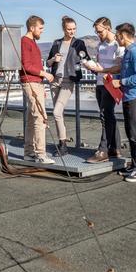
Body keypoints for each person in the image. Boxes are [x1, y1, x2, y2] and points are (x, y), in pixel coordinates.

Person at [82, 17, 124, 163]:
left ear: (108, 28)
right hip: (100, 83)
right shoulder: (101, 45)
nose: (98, 34)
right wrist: (92, 68)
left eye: (100, 31)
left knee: (105, 116)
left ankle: (103, 150)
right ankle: (115, 148)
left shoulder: (118, 45)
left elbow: (119, 67)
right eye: (96, 32)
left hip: (111, 84)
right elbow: (100, 66)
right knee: (109, 116)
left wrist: (103, 70)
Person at [45, 16, 88, 156]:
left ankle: (63, 145)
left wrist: (94, 68)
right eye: (69, 29)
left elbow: (86, 59)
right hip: (55, 81)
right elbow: (48, 63)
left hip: (68, 81)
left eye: (74, 29)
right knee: (59, 114)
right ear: (64, 29)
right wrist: (53, 59)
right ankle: (61, 143)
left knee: (56, 112)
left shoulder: (79, 43)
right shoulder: (57, 43)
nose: (72, 32)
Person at [112, 22, 136, 182]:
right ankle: (134, 166)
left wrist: (121, 82)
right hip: (129, 96)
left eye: (117, 35)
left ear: (123, 35)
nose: (115, 37)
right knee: (130, 132)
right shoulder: (127, 53)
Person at [19, 15, 55, 164]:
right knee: (40, 117)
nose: (41, 31)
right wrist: (45, 73)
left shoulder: (30, 41)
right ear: (32, 28)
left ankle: (29, 152)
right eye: (40, 28)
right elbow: (26, 66)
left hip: (35, 82)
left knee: (31, 118)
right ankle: (41, 154)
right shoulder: (25, 42)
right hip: (31, 82)